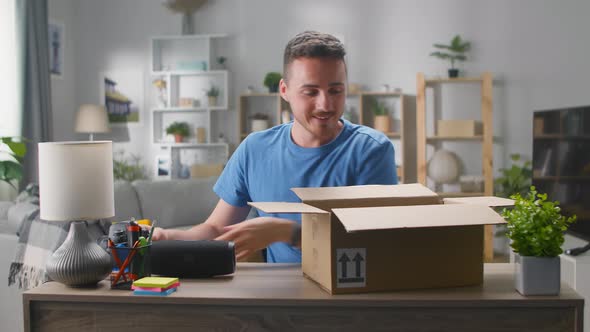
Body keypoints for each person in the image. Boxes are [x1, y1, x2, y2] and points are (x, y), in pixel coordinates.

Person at [152, 31, 397, 262]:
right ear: (284, 90)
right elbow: (217, 229)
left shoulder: (370, 150)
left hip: (347, 296)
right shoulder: (255, 149)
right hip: (277, 298)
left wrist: (289, 233)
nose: (325, 104)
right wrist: (170, 237)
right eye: (310, 92)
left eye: (335, 90)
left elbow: (376, 244)